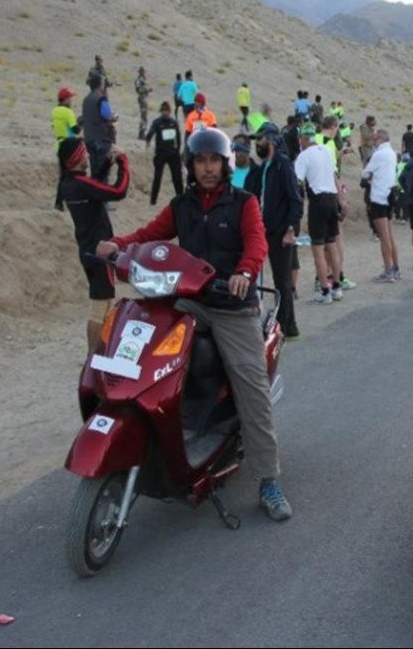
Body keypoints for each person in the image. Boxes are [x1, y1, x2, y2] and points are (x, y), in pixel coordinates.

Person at [96, 128, 292, 521]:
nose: (207, 168)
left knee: (251, 388)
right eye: (200, 161)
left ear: (225, 165)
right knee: (144, 347)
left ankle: (268, 480)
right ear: (191, 165)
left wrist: (245, 272)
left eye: (214, 161)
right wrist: (118, 244)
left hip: (232, 305)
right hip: (189, 300)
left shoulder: (244, 203)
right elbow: (150, 235)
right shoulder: (182, 204)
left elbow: (257, 243)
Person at [58, 138, 129, 353]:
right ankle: (93, 356)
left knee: (105, 301)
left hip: (87, 250)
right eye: (85, 153)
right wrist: (124, 162)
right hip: (100, 253)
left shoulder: (69, 184)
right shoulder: (80, 184)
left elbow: (95, 186)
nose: (88, 156)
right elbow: (118, 191)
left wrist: (107, 163)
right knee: (100, 305)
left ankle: (102, 350)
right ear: (78, 158)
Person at [246, 124, 303, 339]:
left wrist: (290, 229)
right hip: (262, 232)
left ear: (270, 140)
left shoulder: (283, 165)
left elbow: (295, 201)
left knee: (282, 281)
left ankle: (288, 327)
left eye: (260, 140)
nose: (257, 144)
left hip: (280, 233)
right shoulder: (263, 168)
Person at [294, 124, 345, 304]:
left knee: (318, 249)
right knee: (332, 245)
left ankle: (325, 291)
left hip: (318, 201)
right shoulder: (326, 151)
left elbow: (297, 182)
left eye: (301, 139)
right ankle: (337, 287)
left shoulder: (303, 155)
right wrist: (341, 202)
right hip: (332, 199)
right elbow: (334, 176)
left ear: (304, 138)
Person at [362, 128, 400, 283]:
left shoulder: (378, 154)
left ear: (380, 139)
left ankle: (388, 270)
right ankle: (395, 268)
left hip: (378, 198)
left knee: (383, 237)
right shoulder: (392, 153)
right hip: (389, 195)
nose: (374, 141)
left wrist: (368, 174)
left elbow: (365, 173)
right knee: (390, 236)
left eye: (375, 138)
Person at [80, 73, 118, 182]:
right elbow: (109, 116)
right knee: (103, 174)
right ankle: (102, 198)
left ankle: (94, 197)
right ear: (99, 85)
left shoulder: (86, 100)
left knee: (94, 174)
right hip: (102, 139)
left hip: (89, 139)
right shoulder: (101, 99)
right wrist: (116, 116)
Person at [145, 100, 183, 205]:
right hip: (161, 153)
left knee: (177, 177)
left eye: (167, 111)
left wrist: (177, 150)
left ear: (169, 112)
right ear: (161, 111)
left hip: (173, 153)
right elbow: (151, 132)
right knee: (157, 177)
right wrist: (148, 140)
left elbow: (178, 138)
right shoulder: (157, 122)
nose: (165, 113)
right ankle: (153, 200)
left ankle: (181, 197)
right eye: (163, 111)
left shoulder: (173, 122)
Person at [51, 86, 81, 210]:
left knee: (63, 175)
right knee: (73, 174)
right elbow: (76, 130)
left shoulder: (54, 111)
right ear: (65, 99)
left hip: (59, 144)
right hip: (69, 144)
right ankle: (70, 201)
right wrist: (81, 122)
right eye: (70, 98)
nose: (71, 100)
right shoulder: (68, 112)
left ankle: (59, 202)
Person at [134, 66, 152, 142]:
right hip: (142, 98)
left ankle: (142, 132)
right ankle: (141, 133)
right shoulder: (139, 79)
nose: (144, 72)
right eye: (143, 71)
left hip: (144, 97)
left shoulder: (143, 79)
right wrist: (147, 89)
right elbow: (138, 89)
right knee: (143, 116)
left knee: (144, 116)